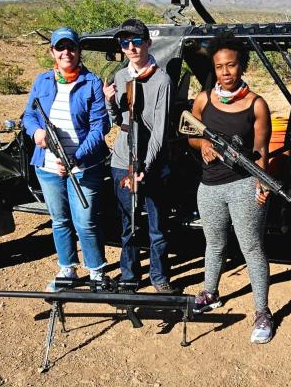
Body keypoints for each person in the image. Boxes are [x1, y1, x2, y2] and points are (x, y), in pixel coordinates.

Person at [188, 31, 274, 344]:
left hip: (243, 186)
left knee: (251, 248)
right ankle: (210, 293)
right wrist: (203, 146)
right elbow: (190, 133)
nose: (226, 72)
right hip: (208, 187)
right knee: (214, 245)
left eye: (232, 65)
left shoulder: (257, 105)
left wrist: (262, 183)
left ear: (242, 66)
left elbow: (262, 151)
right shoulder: (203, 99)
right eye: (220, 66)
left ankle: (262, 311)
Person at [23, 27, 110, 290]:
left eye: (70, 47)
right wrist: (37, 132)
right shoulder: (42, 81)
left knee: (85, 222)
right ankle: (67, 270)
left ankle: (96, 272)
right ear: (52, 52)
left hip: (83, 167)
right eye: (60, 48)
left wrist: (76, 157)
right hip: (47, 166)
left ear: (78, 51)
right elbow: (28, 115)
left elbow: (100, 127)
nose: (66, 52)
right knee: (60, 220)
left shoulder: (91, 83)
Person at [103, 19, 177, 294]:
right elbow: (116, 121)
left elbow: (159, 130)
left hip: (152, 165)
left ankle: (159, 278)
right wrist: (109, 102)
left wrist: (145, 165)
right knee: (128, 225)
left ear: (148, 43)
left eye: (136, 41)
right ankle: (129, 276)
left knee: (157, 227)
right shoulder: (121, 77)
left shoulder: (162, 81)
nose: (131, 47)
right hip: (122, 162)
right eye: (124, 43)